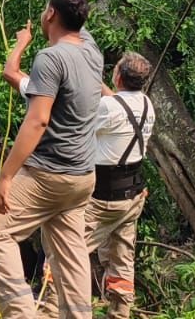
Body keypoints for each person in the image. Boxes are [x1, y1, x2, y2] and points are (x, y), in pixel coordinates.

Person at [0, 0, 104, 319]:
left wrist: (6, 177)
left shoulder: (51, 58)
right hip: (82, 177)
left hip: (48, 174)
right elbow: (67, 2)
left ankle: (22, 313)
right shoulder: (91, 50)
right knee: (70, 252)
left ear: (50, 16)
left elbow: (37, 121)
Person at [39, 53, 156, 319]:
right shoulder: (147, 104)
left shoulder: (109, 109)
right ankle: (120, 312)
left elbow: (80, 119)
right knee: (121, 258)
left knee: (64, 252)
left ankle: (49, 313)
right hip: (132, 198)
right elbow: (115, 101)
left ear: (118, 77)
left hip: (102, 199)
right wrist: (93, 78)